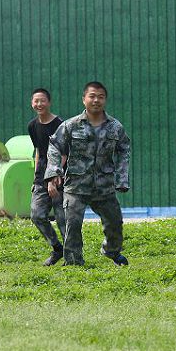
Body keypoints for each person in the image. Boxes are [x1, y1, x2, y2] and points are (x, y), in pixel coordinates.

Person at [44, 81, 131, 267]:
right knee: (72, 225)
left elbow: (124, 149)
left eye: (100, 97)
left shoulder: (115, 127)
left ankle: (111, 251)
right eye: (92, 96)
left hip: (104, 186)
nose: (96, 100)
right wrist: (53, 173)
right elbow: (54, 146)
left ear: (105, 100)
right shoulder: (71, 125)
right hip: (76, 185)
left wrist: (122, 178)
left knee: (115, 225)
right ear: (84, 99)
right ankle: (74, 264)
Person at [27, 88, 67, 266]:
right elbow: (38, 152)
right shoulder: (32, 126)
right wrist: (36, 178)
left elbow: (64, 153)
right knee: (37, 215)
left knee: (62, 219)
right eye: (36, 101)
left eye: (42, 101)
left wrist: (55, 175)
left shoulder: (60, 125)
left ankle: (72, 256)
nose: (39, 104)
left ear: (49, 102)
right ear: (32, 103)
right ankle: (57, 248)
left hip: (60, 177)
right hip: (41, 177)